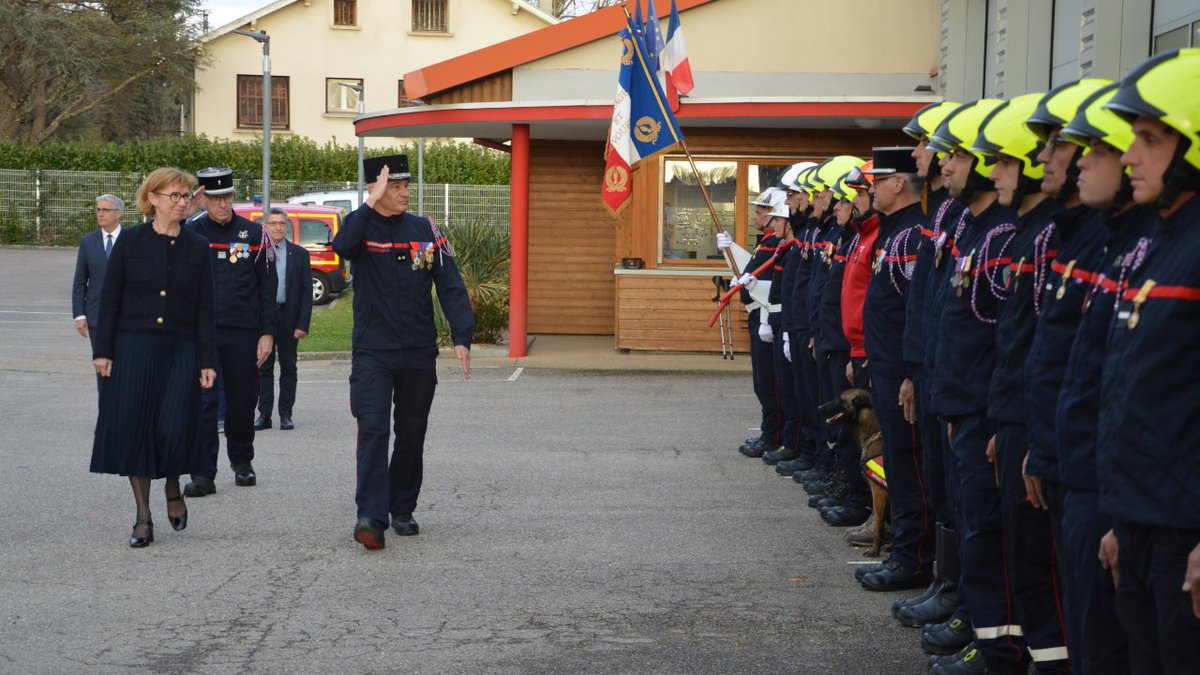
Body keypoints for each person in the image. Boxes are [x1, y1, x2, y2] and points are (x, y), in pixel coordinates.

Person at [1095, 48, 1200, 674]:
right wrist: (1123, 519)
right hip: (1142, 523)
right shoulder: (1163, 240)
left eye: (1149, 139)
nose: (1131, 155)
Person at [332, 155, 473, 550]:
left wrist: (462, 335)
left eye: (405, 185)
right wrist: (367, 203)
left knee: (411, 434)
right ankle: (370, 518)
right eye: (394, 186)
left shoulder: (425, 228)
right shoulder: (360, 228)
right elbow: (341, 247)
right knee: (374, 429)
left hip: (417, 351)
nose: (404, 192)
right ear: (376, 190)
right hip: (373, 352)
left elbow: (450, 284)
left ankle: (402, 507)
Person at [1053, 82, 1146, 675]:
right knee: (1090, 632)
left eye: (1148, 141)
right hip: (1092, 475)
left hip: (1139, 502)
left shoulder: (1151, 251)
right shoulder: (1118, 246)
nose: (1078, 163)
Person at [90, 167, 216, 548]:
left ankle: (173, 486)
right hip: (133, 348)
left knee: (174, 427)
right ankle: (143, 516)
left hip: (180, 348)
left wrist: (207, 359)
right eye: (174, 195)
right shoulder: (129, 241)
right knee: (137, 429)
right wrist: (103, 351)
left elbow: (205, 308)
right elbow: (110, 300)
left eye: (185, 196)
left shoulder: (197, 246)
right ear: (153, 200)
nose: (182, 202)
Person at [856, 147, 935, 592]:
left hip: (902, 372)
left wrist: (908, 372)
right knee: (898, 464)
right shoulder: (892, 233)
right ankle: (905, 551)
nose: (871, 189)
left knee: (907, 465)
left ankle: (913, 557)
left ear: (899, 182)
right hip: (886, 365)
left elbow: (914, 311)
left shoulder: (910, 235)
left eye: (877, 181)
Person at [183, 167, 277, 496]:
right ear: (203, 199)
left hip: (243, 332)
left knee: (241, 400)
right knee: (204, 404)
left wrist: (267, 332)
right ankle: (203, 474)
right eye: (215, 198)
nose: (223, 204)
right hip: (203, 333)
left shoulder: (253, 234)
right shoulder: (191, 232)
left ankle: (242, 463)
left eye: (227, 197)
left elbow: (268, 286)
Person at [255, 207, 313, 431]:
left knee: (289, 367)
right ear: (265, 226)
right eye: (273, 223)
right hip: (263, 319)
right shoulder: (258, 252)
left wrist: (302, 324)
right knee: (263, 367)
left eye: (281, 223)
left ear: (286, 227)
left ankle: (286, 413)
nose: (278, 227)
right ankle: (264, 414)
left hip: (289, 318)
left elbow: (307, 292)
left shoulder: (299, 254)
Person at [73, 194, 124, 383]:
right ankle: (105, 410)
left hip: (125, 315)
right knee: (102, 370)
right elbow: (80, 281)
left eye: (105, 210)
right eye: (98, 209)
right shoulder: (88, 241)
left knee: (124, 368)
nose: (100, 214)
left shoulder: (130, 239)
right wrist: (79, 315)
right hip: (96, 316)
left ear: (118, 214)